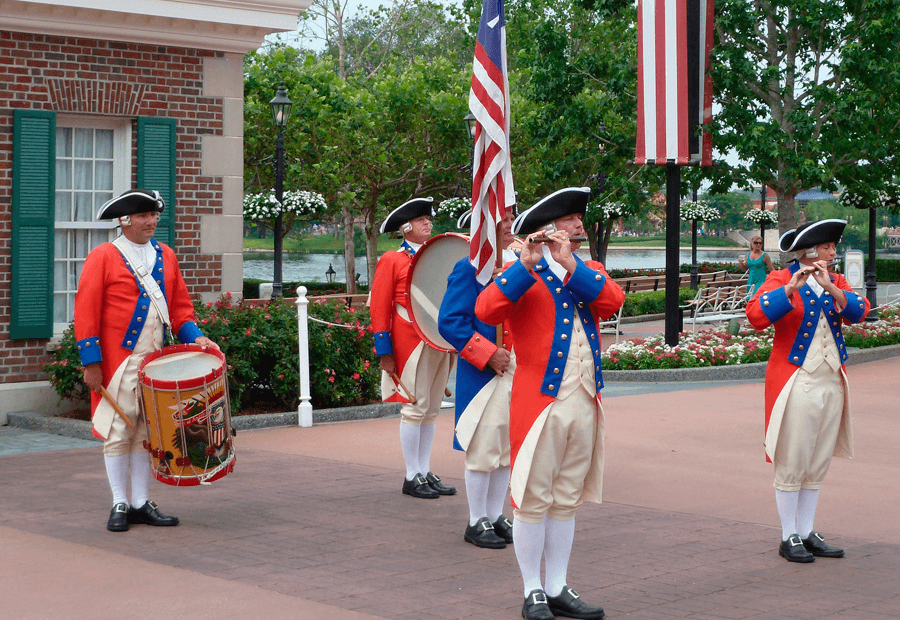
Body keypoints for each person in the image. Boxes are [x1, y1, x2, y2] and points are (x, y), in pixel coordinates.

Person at [475, 187, 624, 620]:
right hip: (539, 404)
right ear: (548, 228)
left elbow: (612, 302)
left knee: (566, 497)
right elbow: (486, 311)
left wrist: (570, 264)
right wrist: (525, 265)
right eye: (572, 219)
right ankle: (532, 589)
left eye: (580, 219)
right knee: (533, 497)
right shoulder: (522, 271)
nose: (580, 225)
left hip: (583, 400)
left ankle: (557, 585)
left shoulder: (586, 267)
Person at [74, 189, 218, 532]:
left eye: (154, 215)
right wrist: (91, 363)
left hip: (156, 362)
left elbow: (180, 307)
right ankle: (119, 502)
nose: (151, 222)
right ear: (125, 220)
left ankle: (140, 501)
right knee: (118, 430)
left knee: (145, 433)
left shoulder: (166, 254)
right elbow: (85, 311)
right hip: (119, 362)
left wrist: (195, 336)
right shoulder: (103, 256)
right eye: (143, 216)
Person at [745, 219, 870, 563]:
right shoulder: (781, 278)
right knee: (794, 455)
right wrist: (789, 290)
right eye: (830, 247)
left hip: (832, 378)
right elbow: (755, 315)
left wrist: (831, 288)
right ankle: (789, 535)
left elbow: (861, 312)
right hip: (796, 379)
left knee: (817, 457)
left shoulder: (835, 280)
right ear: (812, 250)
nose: (834, 251)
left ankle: (807, 529)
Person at [438, 209, 519, 549]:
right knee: (482, 448)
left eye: (511, 217)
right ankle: (476, 519)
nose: (508, 224)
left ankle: (496, 514)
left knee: (505, 450)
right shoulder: (468, 269)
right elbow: (451, 321)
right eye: (502, 218)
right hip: (483, 372)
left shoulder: (519, 265)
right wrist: (487, 353)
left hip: (516, 368)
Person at [370, 197, 457, 499]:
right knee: (414, 408)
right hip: (410, 342)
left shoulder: (435, 257)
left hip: (438, 339)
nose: (428, 224)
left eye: (428, 219)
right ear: (405, 227)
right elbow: (380, 307)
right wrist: (385, 351)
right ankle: (411, 474)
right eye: (421, 220)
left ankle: (424, 469)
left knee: (431, 410)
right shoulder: (392, 260)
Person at [738, 235, 774, 299]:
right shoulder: (748, 255)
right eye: (756, 243)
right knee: (748, 299)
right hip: (751, 281)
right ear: (752, 244)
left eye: (760, 243)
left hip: (761, 281)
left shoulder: (765, 256)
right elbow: (746, 269)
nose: (758, 244)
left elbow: (771, 269)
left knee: (756, 298)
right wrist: (741, 263)